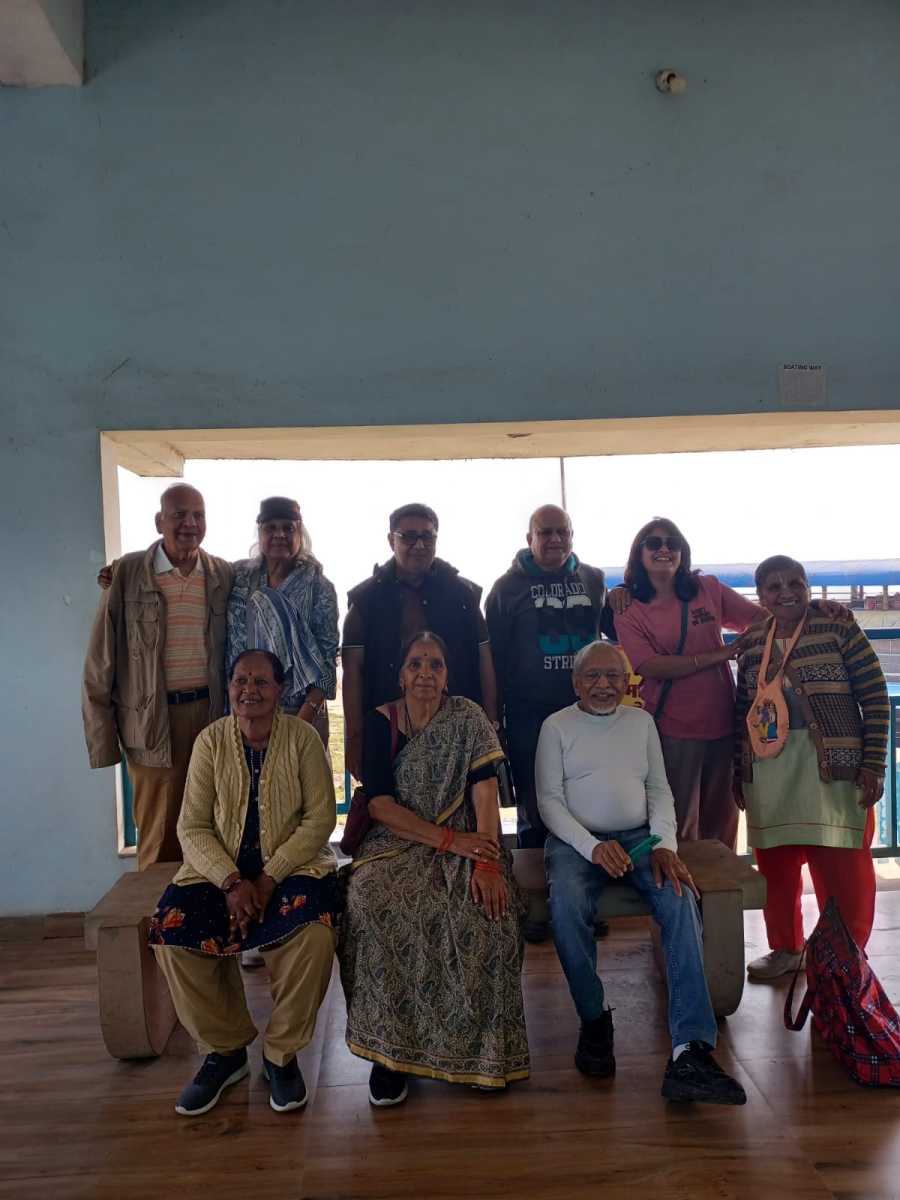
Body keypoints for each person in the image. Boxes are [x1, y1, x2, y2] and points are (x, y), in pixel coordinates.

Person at [535, 641, 746, 1105]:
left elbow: (659, 790)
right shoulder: (556, 726)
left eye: (613, 676)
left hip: (639, 838)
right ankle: (594, 1020)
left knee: (680, 896)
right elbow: (549, 802)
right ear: (576, 682)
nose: (603, 685)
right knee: (566, 906)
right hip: (575, 842)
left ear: (627, 682)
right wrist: (592, 848)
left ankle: (690, 1049)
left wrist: (665, 845)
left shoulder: (641, 722)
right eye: (593, 676)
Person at [338, 632, 529, 1105]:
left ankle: (484, 1056)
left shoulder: (466, 718)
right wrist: (446, 841)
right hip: (398, 840)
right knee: (373, 902)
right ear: (401, 675)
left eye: (436, 665)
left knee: (488, 913)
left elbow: (485, 792)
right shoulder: (381, 722)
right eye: (416, 664)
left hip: (469, 836)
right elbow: (380, 806)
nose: (426, 673)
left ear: (447, 677)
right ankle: (388, 1057)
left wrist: (486, 862)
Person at [149, 650, 340, 1116]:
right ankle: (226, 1050)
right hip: (219, 872)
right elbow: (192, 827)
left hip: (290, 868)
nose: (249, 690)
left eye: (261, 682)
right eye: (240, 680)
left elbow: (320, 820)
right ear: (229, 686)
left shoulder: (303, 739)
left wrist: (269, 878)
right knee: (172, 933)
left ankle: (280, 1056)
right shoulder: (210, 741)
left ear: (280, 689)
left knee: (314, 935)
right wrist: (232, 881)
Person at [734, 556, 889, 980]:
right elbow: (741, 710)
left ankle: (846, 957)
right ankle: (786, 948)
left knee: (842, 866)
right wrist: (738, 772)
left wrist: (873, 762)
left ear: (807, 587)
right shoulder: (753, 641)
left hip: (834, 768)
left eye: (795, 583)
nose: (786, 592)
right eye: (773, 586)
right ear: (760, 596)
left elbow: (875, 695)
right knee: (776, 866)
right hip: (769, 772)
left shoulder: (838, 627)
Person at [82, 484, 233, 869]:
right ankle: (156, 909)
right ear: (159, 521)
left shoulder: (222, 574)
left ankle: (202, 907)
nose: (190, 523)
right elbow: (100, 660)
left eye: (198, 515)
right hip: (151, 722)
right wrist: (102, 741)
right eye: (179, 514)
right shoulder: (128, 573)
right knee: (159, 835)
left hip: (211, 717)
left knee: (214, 827)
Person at [486, 504, 613, 853]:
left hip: (588, 713)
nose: (555, 538)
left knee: (588, 795)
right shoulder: (506, 589)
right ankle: (535, 873)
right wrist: (494, 718)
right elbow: (493, 659)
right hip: (530, 716)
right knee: (536, 802)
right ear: (529, 538)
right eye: (545, 532)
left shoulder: (594, 580)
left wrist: (626, 595)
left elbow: (618, 631)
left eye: (562, 531)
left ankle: (589, 867)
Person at [341, 503, 498, 780]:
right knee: (387, 800)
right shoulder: (366, 600)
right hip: (389, 729)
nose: (419, 545)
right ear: (391, 540)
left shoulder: (463, 595)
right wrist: (355, 737)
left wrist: (491, 722)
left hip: (458, 727)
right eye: (409, 537)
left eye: (427, 536)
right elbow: (352, 672)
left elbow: (484, 659)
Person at [227, 496, 338, 745]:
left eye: (288, 528)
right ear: (259, 532)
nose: (279, 534)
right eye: (271, 528)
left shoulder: (318, 587)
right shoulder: (239, 577)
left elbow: (327, 658)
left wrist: (302, 719)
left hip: (300, 712)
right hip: (243, 710)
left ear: (300, 533)